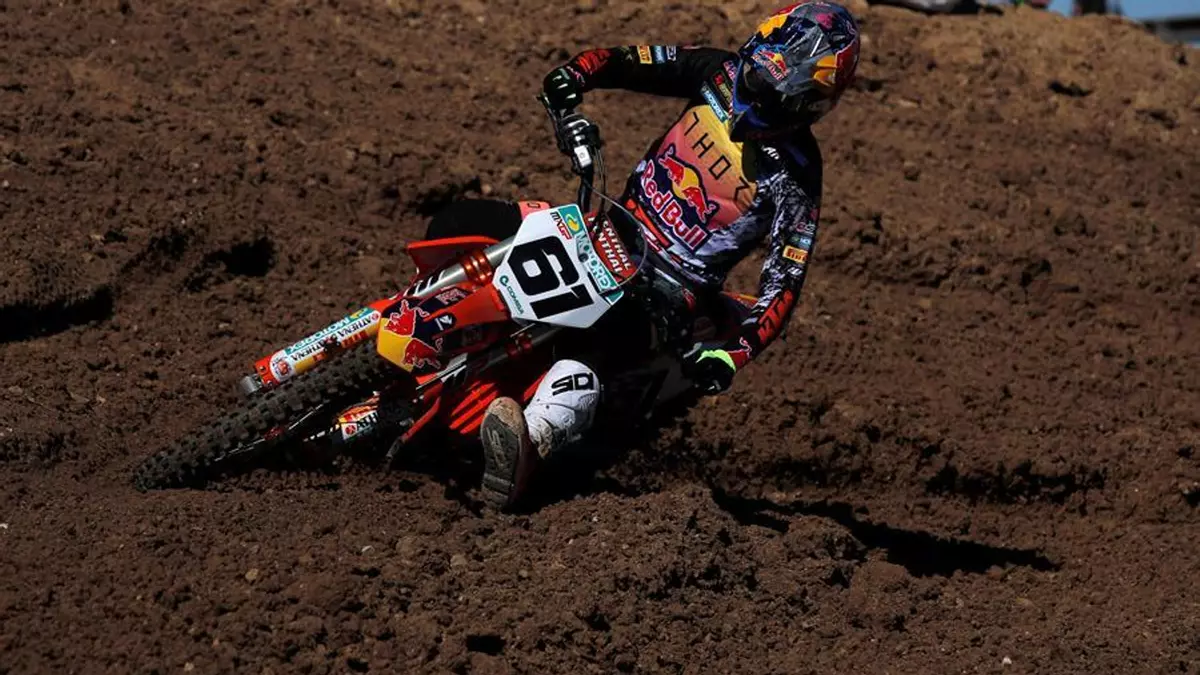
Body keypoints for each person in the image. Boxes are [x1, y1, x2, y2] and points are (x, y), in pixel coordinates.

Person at [460, 1, 861, 509]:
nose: (759, 98)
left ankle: (526, 446)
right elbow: (629, 61)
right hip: (605, 227)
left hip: (671, 292)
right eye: (759, 80)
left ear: (811, 105)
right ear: (753, 52)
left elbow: (785, 282)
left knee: (602, 339)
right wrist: (575, 75)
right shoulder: (717, 72)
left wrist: (732, 355)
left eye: (782, 97)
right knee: (472, 223)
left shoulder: (798, 173)